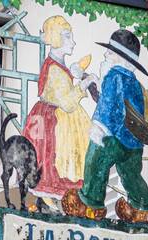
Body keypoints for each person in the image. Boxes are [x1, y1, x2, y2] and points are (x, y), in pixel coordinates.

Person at [62, 28, 148, 224]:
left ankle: (91, 203)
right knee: (131, 175)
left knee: (95, 161)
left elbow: (106, 105)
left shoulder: (114, 75)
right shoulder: (135, 84)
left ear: (120, 58)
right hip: (133, 143)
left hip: (112, 136)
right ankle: (144, 207)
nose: (106, 55)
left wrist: (98, 130)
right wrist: (88, 79)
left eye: (111, 52)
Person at [23, 15, 92, 199]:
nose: (73, 42)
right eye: (68, 37)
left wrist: (77, 74)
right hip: (56, 121)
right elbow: (68, 103)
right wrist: (84, 85)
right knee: (57, 163)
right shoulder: (54, 70)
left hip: (55, 116)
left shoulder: (58, 65)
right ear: (56, 38)